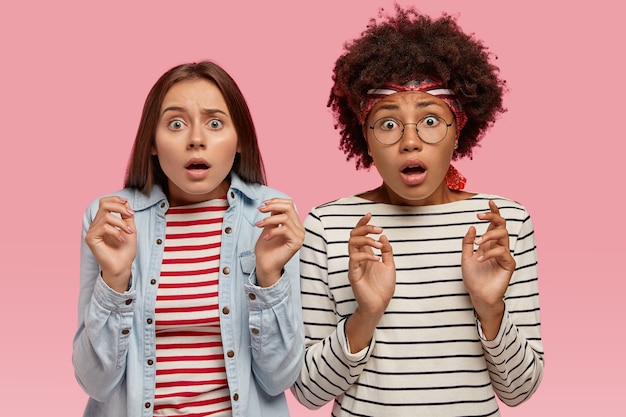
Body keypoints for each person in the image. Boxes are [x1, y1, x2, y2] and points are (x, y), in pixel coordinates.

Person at [291, 5, 544, 416]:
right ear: (366, 140)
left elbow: (519, 391)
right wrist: (366, 314)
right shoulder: (328, 226)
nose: (410, 141)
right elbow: (308, 393)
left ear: (458, 131)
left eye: (430, 121)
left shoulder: (503, 224)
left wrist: (490, 308)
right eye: (389, 124)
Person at [73, 61, 304, 417]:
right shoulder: (112, 220)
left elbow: (279, 379)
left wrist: (269, 278)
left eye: (215, 123)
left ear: (239, 138)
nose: (196, 139)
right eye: (176, 124)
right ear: (151, 143)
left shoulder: (270, 217)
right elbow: (95, 382)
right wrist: (115, 282)